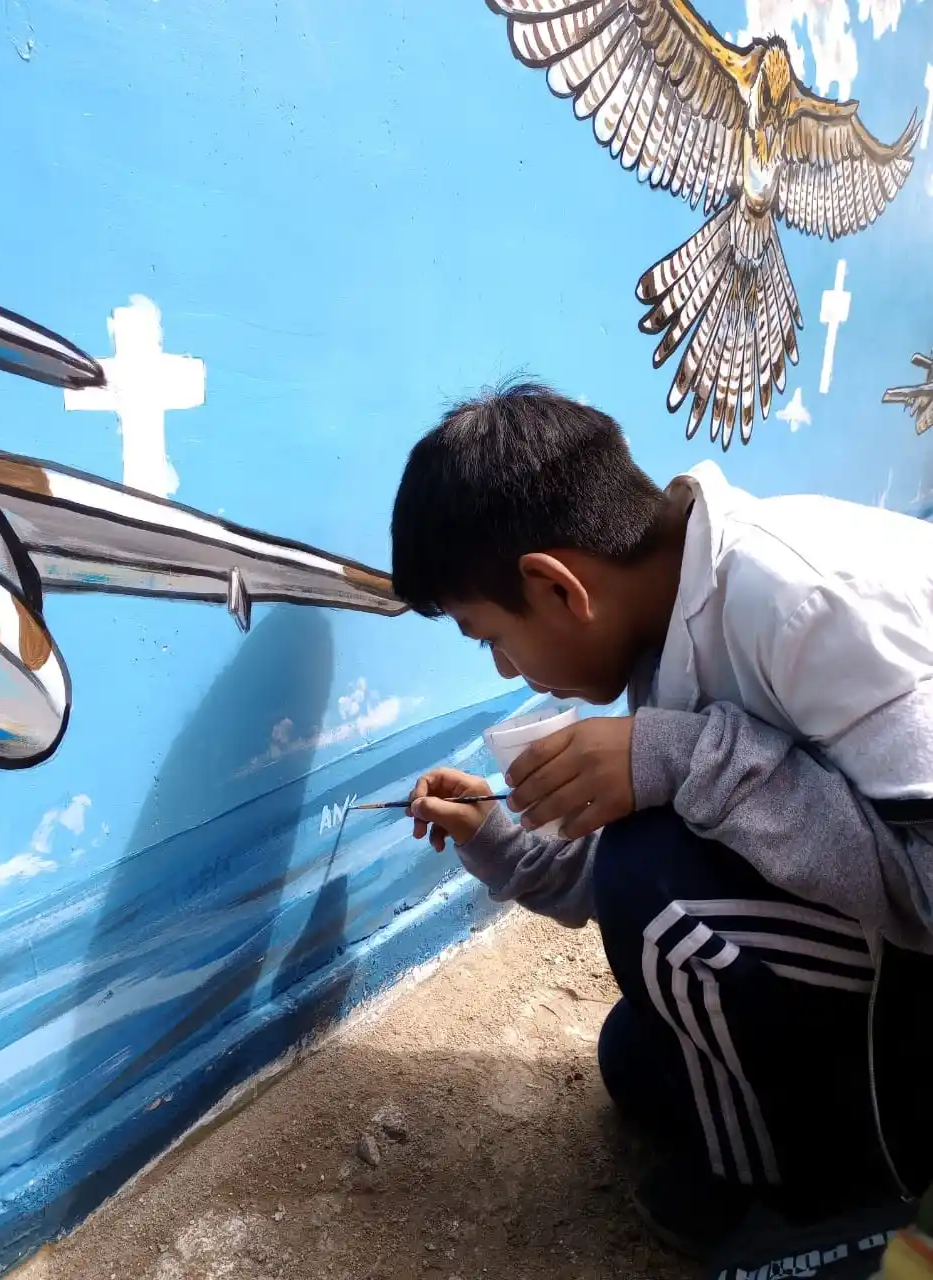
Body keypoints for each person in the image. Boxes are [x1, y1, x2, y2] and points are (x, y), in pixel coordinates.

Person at [389, 381, 933, 1261]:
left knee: (657, 891)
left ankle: (833, 1201)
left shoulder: (799, 604)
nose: (500, 666)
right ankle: (815, 1129)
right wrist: (497, 837)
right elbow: (617, 868)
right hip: (877, 953)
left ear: (557, 587)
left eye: (487, 635)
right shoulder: (666, 617)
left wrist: (682, 758)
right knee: (637, 1058)